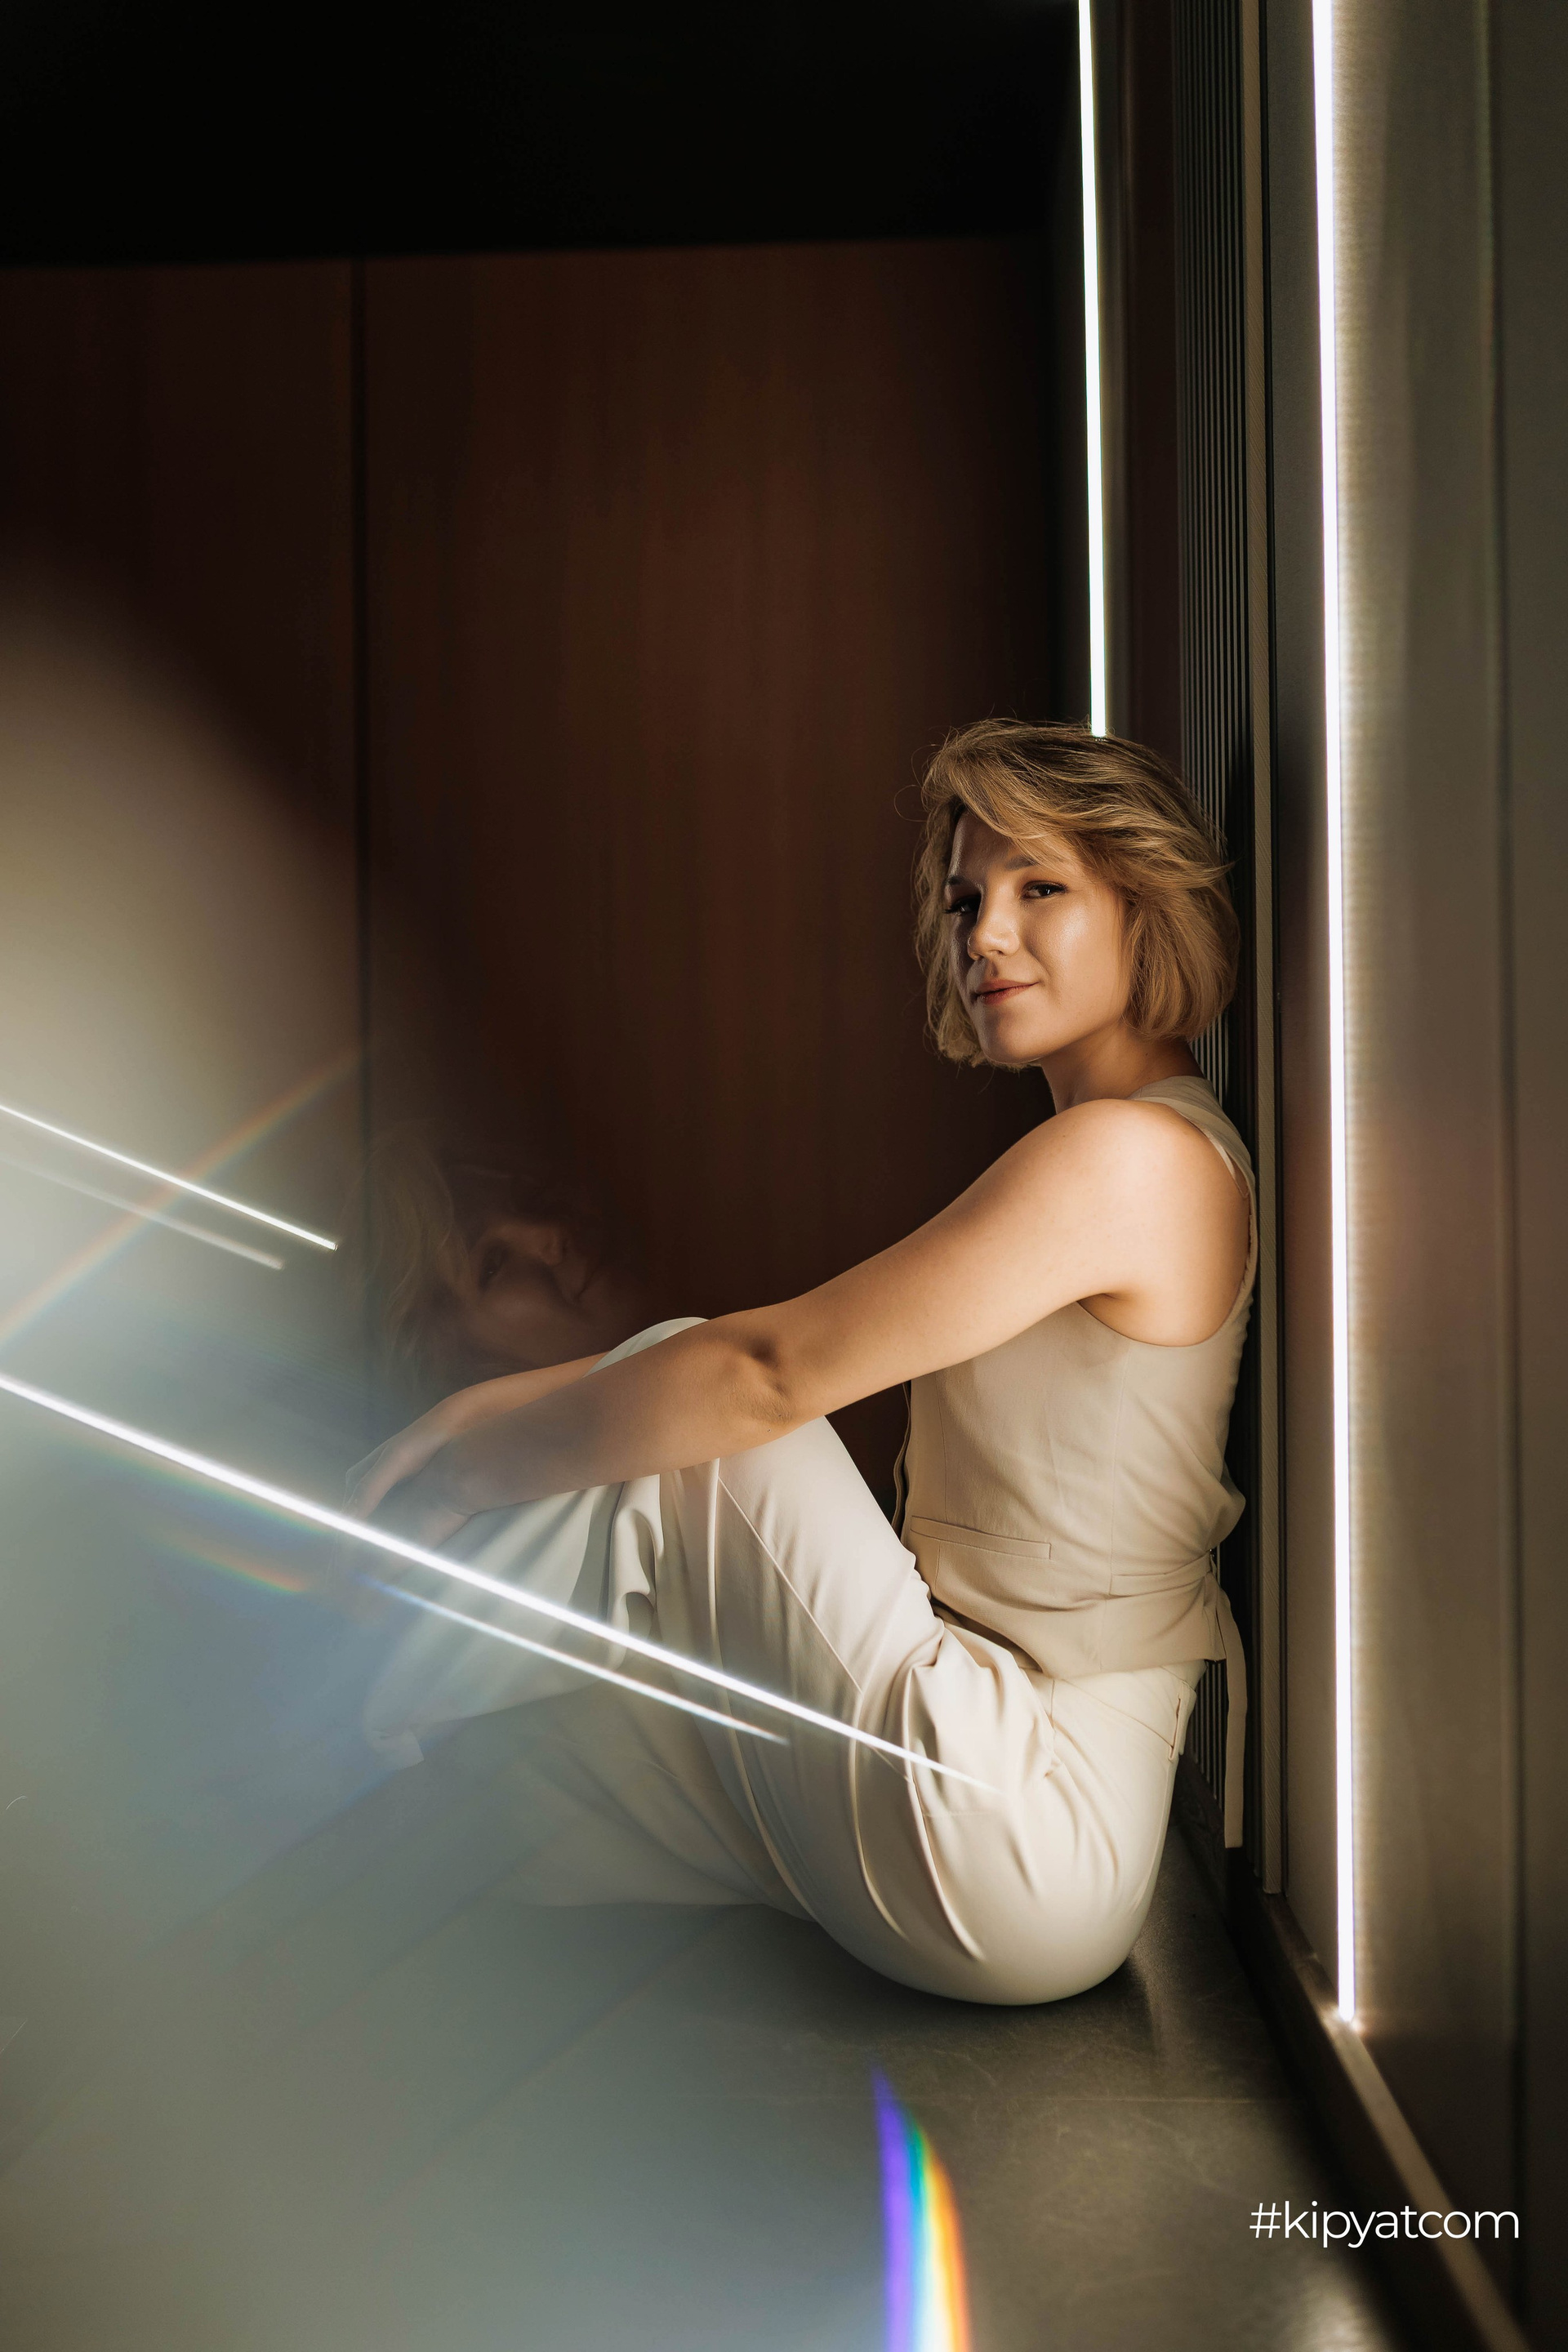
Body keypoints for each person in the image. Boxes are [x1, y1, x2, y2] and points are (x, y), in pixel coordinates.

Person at [350, 719, 1254, 2006]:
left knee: (707, 1406)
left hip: (1031, 1814)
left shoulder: (1134, 1160)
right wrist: (490, 1415)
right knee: (511, 1785)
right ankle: (332, 1767)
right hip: (996, 1798)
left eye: (1040, 889)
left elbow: (766, 1375)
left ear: (1143, 906)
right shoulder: (1127, 1150)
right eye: (966, 900)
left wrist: (466, 1456)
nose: (985, 935)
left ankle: (325, 1691)